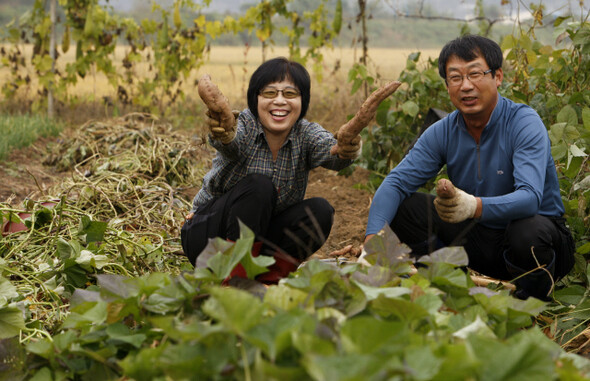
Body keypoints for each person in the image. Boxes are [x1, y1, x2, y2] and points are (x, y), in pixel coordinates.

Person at [365, 35, 575, 300]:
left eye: (475, 74)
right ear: (447, 85)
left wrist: (473, 206)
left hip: (540, 245)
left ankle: (532, 300)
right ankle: (446, 288)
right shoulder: (442, 132)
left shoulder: (523, 122)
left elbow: (531, 198)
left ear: (497, 76)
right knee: (404, 208)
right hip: (482, 240)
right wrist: (373, 238)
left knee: (527, 229)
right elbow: (395, 183)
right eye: (455, 77)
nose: (466, 86)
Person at [181, 57, 368, 283]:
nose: (280, 101)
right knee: (259, 187)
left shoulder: (305, 134)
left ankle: (269, 280)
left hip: (260, 241)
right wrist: (225, 132)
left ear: (302, 101)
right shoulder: (246, 125)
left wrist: (346, 148)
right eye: (269, 93)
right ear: (255, 99)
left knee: (320, 211)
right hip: (208, 236)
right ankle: (234, 281)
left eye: (290, 94)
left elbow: (331, 152)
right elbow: (231, 141)